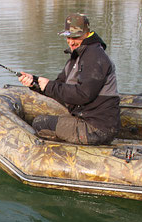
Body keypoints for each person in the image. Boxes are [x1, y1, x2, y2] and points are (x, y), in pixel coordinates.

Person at [18, 13, 120, 145]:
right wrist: (34, 82)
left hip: (97, 128)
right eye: (68, 36)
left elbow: (84, 94)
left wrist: (49, 86)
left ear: (87, 33)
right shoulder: (77, 57)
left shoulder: (95, 57)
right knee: (45, 120)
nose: (71, 41)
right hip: (86, 119)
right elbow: (59, 85)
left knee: (40, 123)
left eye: (76, 37)